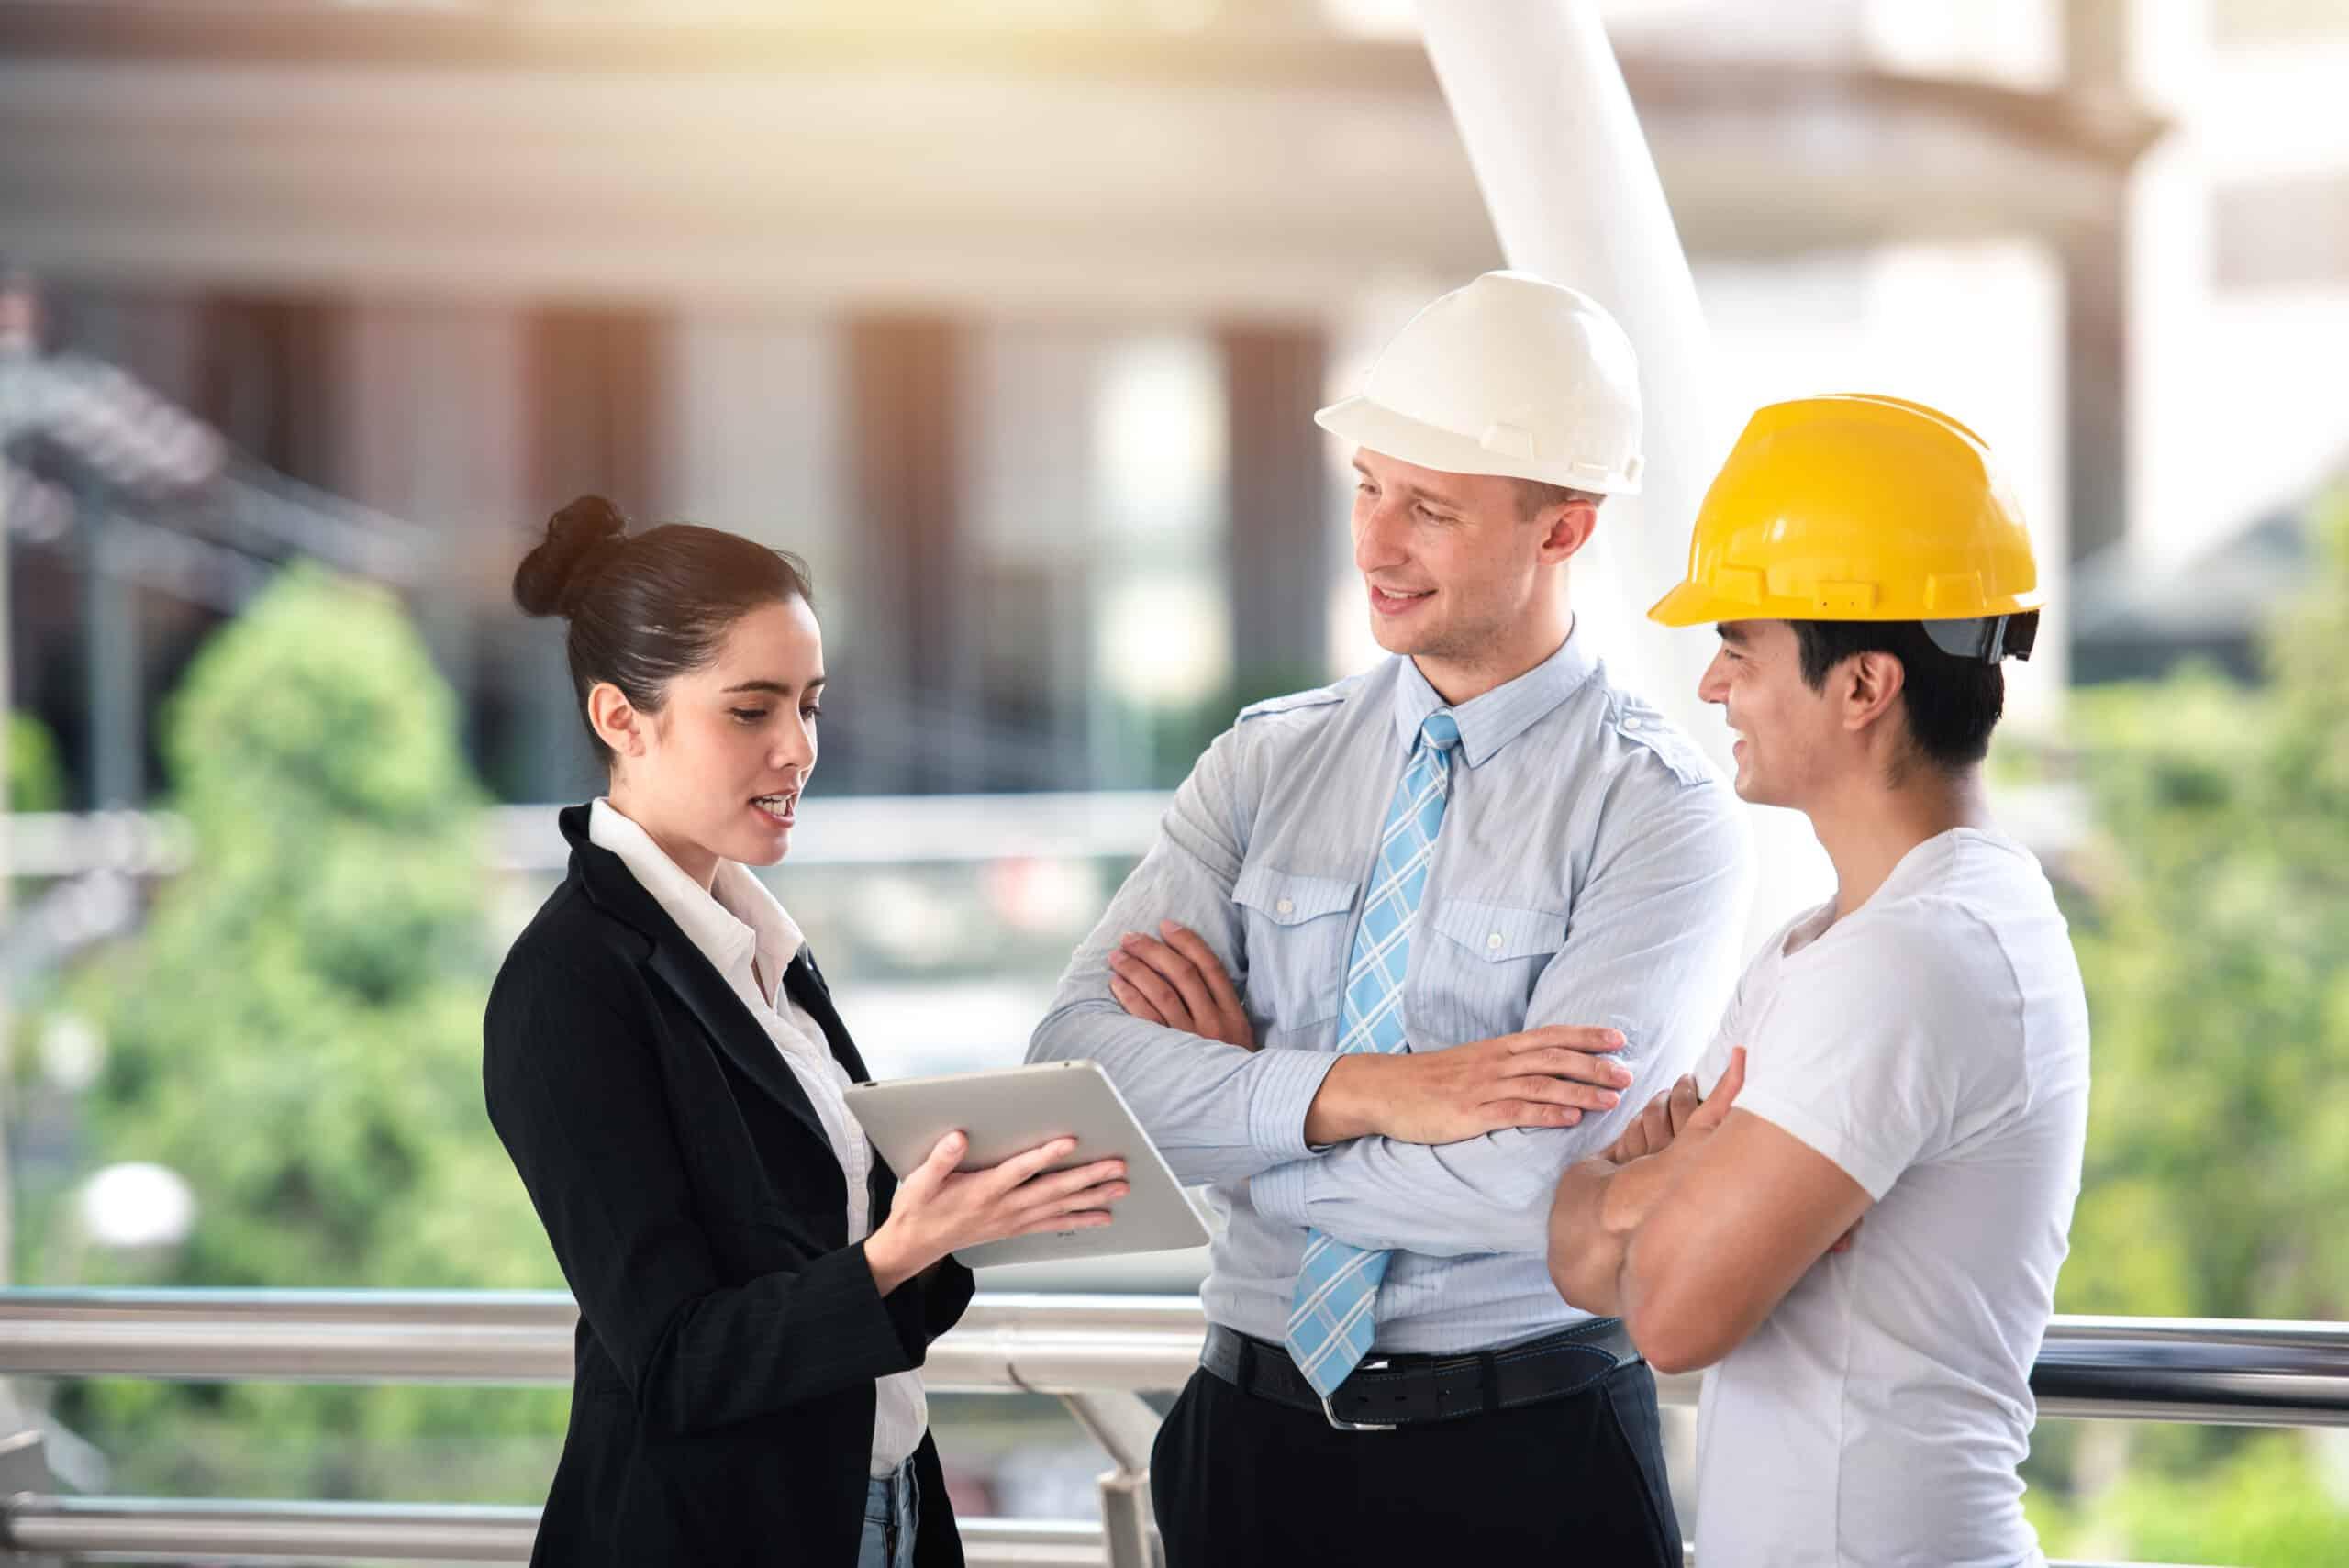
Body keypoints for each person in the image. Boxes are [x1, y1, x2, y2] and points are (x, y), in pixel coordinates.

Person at [1027, 272, 1751, 1566]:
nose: (1375, 543)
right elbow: (1075, 1073)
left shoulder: (1658, 812)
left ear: (1564, 528)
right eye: (1367, 487)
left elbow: (1536, 1185)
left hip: (1527, 1457)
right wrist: (1365, 1091)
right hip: (1244, 1446)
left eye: (1431, 508)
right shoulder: (1262, 764)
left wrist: (1241, 1119)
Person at [484, 497, 1130, 1568]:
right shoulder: (570, 984)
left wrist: (959, 1206)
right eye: (751, 710)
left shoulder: (761, 948)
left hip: (885, 1504)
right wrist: (903, 1246)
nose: (798, 748)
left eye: (811, 705)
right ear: (621, 718)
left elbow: (839, 1259)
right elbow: (678, 1360)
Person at [1544, 394, 2090, 1568]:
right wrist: (1682, 1188)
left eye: (1739, 647)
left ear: (1862, 686)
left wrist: (1656, 1183)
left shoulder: (1915, 955)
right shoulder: (1831, 941)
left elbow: (1670, 1316)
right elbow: (1576, 1255)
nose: (1712, 684)